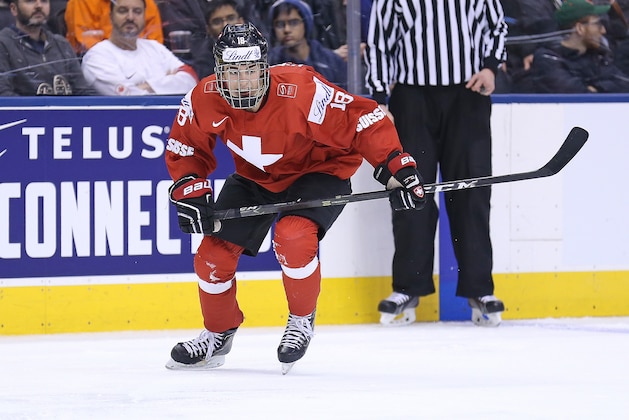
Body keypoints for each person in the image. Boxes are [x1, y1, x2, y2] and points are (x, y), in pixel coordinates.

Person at [164, 22, 426, 373]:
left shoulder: (301, 90)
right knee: (212, 255)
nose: (243, 81)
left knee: (294, 237)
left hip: (319, 172)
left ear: (265, 67)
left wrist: (396, 167)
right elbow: (186, 148)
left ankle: (301, 320)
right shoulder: (204, 97)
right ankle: (217, 333)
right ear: (218, 71)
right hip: (256, 177)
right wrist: (190, 186)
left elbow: (362, 118)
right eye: (233, 71)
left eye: (251, 70)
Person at [364, 0, 507, 327]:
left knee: (472, 192)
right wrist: (379, 97)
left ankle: (479, 288)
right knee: (411, 191)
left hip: (468, 94)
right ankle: (407, 287)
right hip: (412, 97)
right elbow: (380, 39)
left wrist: (490, 67)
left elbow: (495, 26)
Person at [80, 0, 197, 95]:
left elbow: (191, 80)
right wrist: (169, 83)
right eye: (122, 11)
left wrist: (148, 86)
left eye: (137, 11)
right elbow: (129, 99)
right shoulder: (97, 56)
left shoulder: (155, 48)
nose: (130, 17)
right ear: (110, 16)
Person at [0, 0, 96, 96]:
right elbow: (3, 95)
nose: (39, 6)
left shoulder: (62, 44)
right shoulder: (3, 44)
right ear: (14, 9)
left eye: (44, 1)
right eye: (30, 1)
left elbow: (83, 90)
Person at [530, 0, 629, 93]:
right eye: (598, 24)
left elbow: (623, 84)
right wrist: (599, 88)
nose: (603, 31)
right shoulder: (548, 59)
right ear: (580, 28)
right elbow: (577, 95)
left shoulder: (598, 56)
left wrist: (596, 88)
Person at [268, 0, 347, 89]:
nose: (287, 30)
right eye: (280, 24)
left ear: (305, 24)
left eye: (294, 22)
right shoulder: (269, 65)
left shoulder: (331, 61)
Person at [64, 0, 163, 55]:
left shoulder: (145, 3)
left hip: (143, 63)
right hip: (99, 63)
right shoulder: (81, 2)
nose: (130, 17)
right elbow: (87, 44)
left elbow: (155, 46)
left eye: (137, 12)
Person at [191, 0, 245, 79]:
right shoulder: (203, 59)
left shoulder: (258, 47)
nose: (225, 25)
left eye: (231, 18)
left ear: (241, 21)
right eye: (217, 22)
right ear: (208, 29)